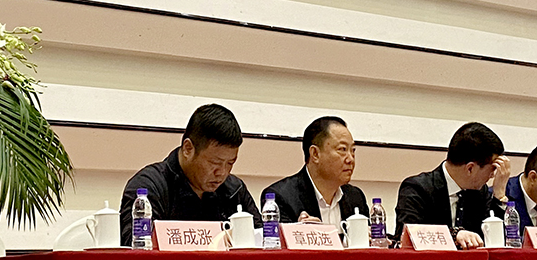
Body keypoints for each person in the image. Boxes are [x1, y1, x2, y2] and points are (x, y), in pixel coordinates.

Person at [119, 104, 260, 246]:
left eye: (230, 163)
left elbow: (262, 242)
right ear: (188, 149)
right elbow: (137, 249)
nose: (222, 172)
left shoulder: (234, 190)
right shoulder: (149, 188)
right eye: (214, 162)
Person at [395, 122, 511, 249]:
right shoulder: (417, 189)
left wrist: (499, 194)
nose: (492, 175)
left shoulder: (479, 192)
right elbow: (408, 236)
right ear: (470, 169)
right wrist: (454, 235)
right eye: (492, 169)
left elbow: (494, 241)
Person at [262, 116, 368, 228]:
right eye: (342, 149)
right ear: (315, 154)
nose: (350, 159)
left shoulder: (355, 197)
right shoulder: (282, 197)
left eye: (353, 150)